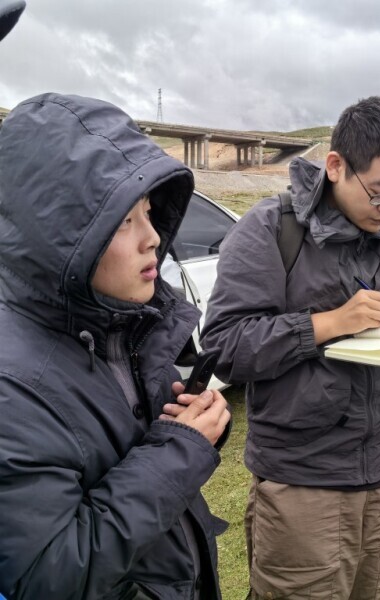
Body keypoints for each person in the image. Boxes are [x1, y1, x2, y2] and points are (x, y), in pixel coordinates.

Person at [200, 96, 380, 599]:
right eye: (378, 192)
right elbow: (224, 345)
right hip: (304, 479)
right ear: (336, 166)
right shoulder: (270, 228)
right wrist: (329, 323)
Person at [0, 93, 231, 600]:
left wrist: (188, 424)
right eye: (124, 220)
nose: (152, 238)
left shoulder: (115, 321)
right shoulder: (12, 386)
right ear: (60, 235)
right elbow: (45, 574)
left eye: (149, 213)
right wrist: (179, 449)